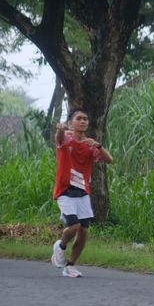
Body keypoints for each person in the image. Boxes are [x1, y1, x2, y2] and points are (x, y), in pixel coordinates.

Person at [50, 109, 112, 277]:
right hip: (65, 191)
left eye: (85, 119)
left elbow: (109, 160)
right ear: (71, 123)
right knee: (74, 225)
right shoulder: (66, 139)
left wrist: (98, 146)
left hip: (82, 192)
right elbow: (59, 138)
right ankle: (60, 246)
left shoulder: (89, 145)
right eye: (79, 118)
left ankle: (70, 266)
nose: (83, 121)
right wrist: (60, 129)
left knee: (84, 230)